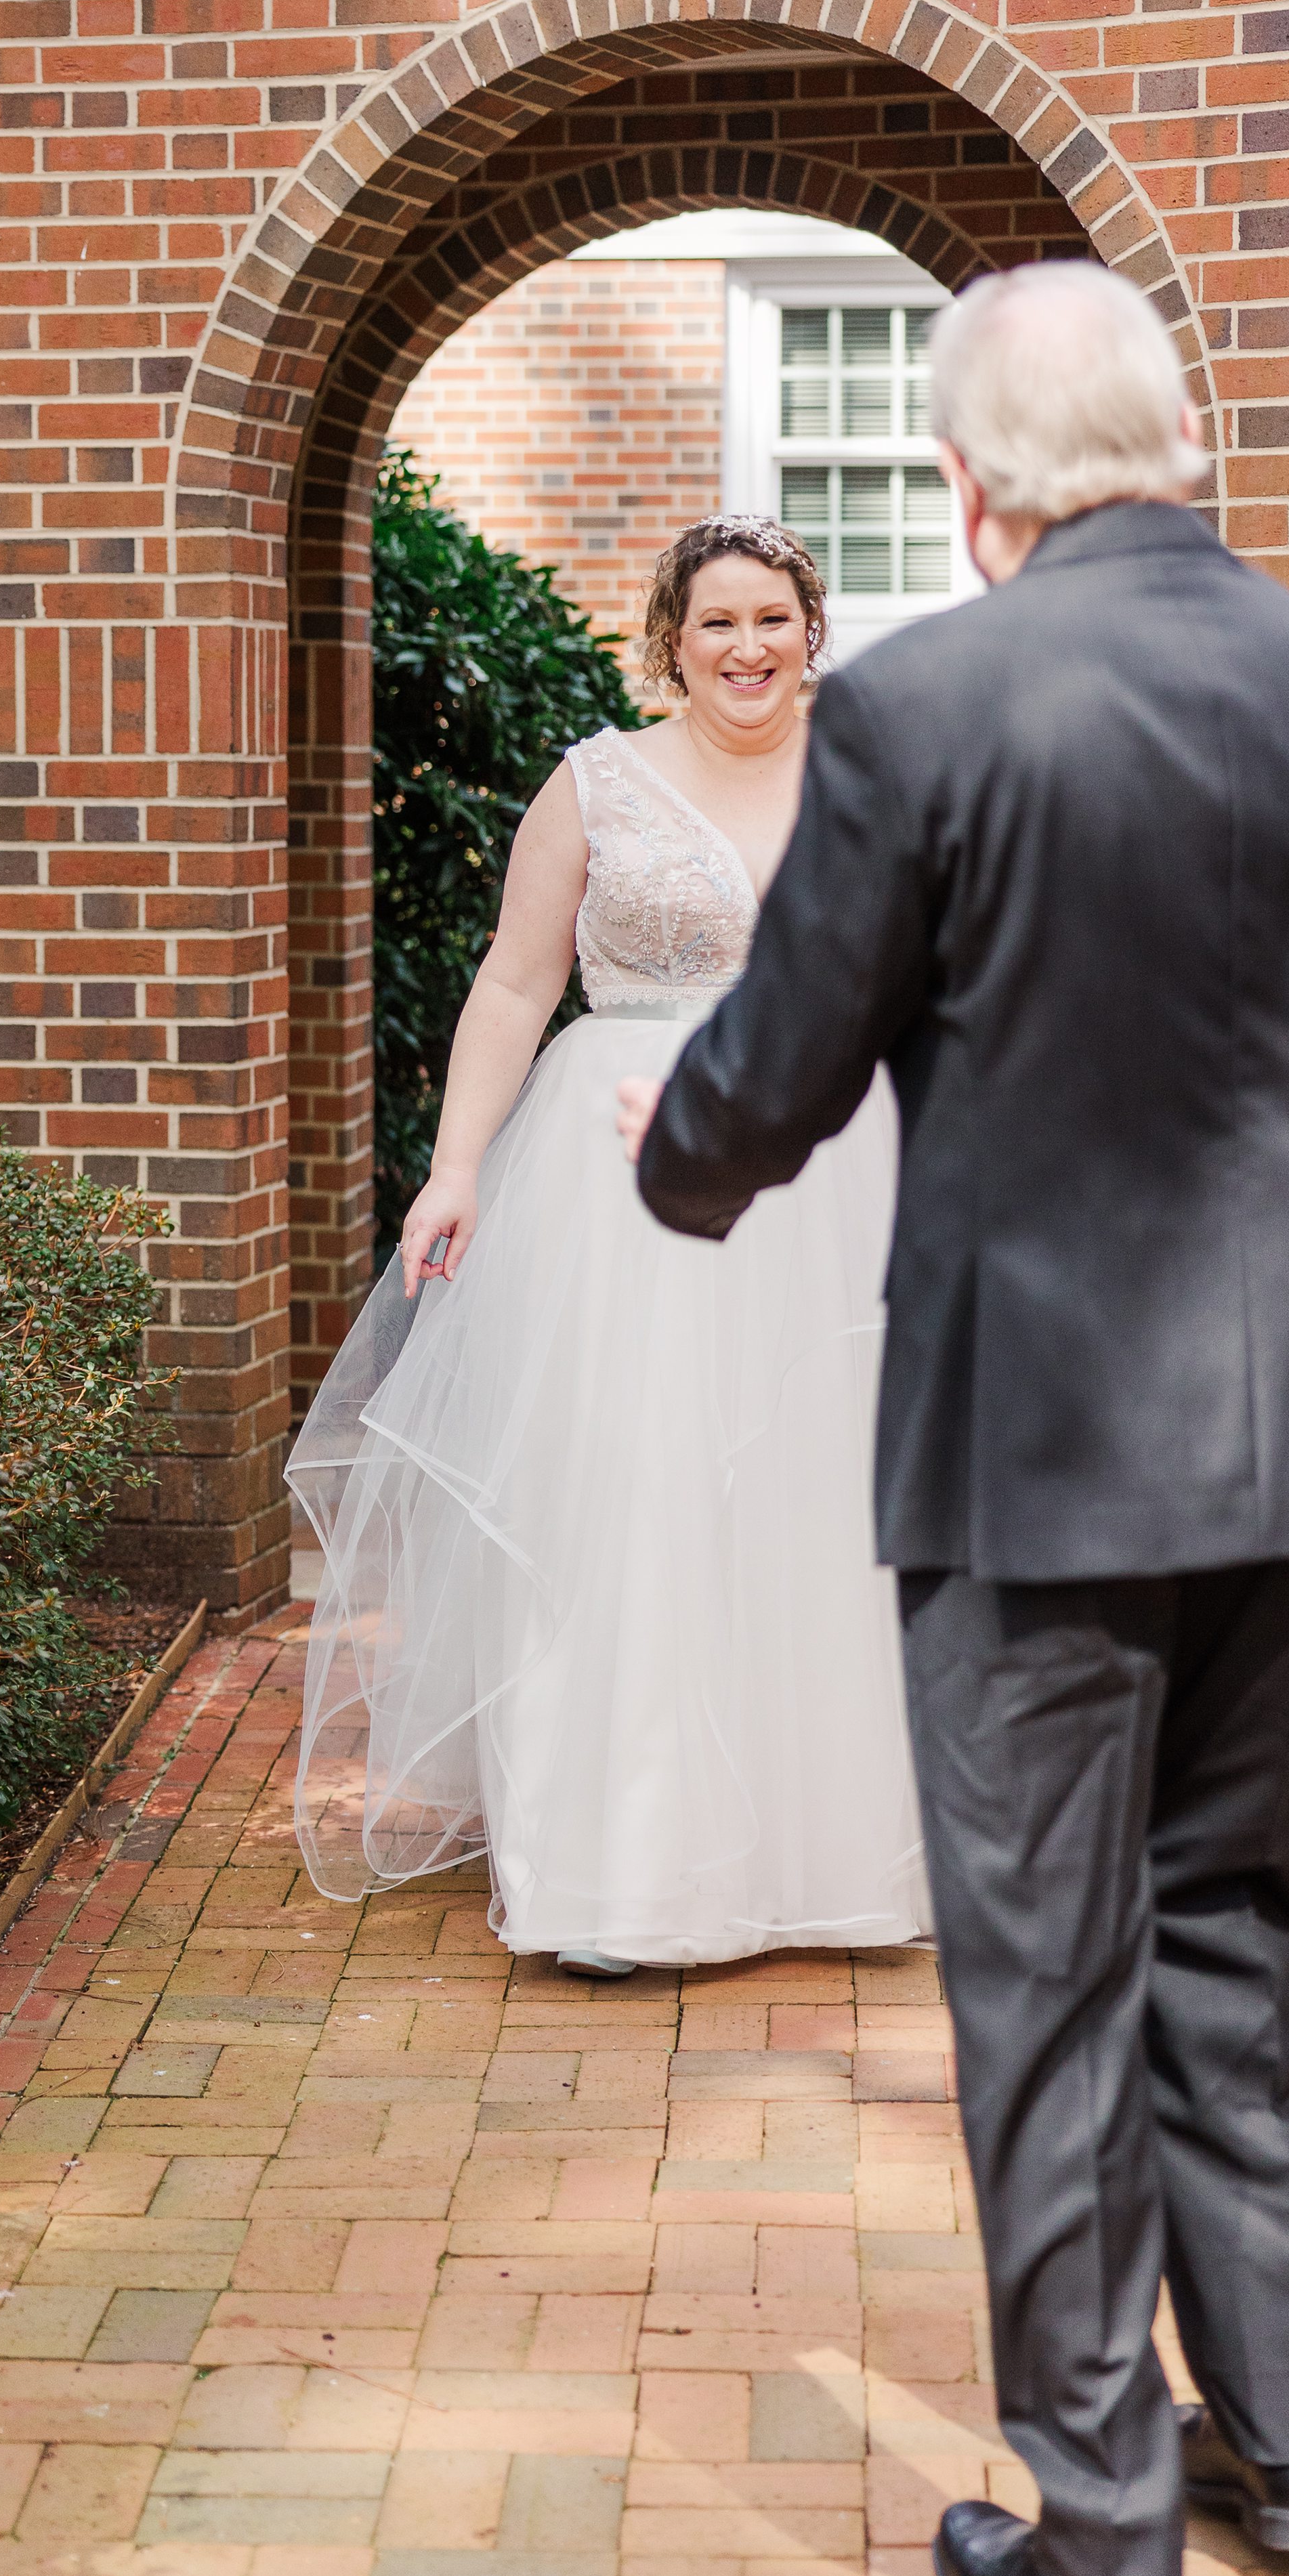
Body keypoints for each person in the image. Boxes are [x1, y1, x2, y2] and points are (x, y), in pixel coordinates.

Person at [623, 262, 1289, 2576]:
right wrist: (1285, 1291)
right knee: (1229, 1925)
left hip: (1031, 1462)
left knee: (1051, 1987)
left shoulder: (928, 707)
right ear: (1178, 446)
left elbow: (779, 1065)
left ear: (974, 485)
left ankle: (1106, 2548)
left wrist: (672, 1164)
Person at [287, 513, 928, 1974]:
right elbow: (515, 989)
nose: (749, 647)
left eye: (773, 618)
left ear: (810, 628)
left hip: (837, 1168)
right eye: (718, 623)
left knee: (820, 1488)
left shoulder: (878, 776)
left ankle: (831, 1856)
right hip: (621, 1169)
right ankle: (627, 1874)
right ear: (671, 640)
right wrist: (453, 1172)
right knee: (636, 1492)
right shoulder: (595, 785)